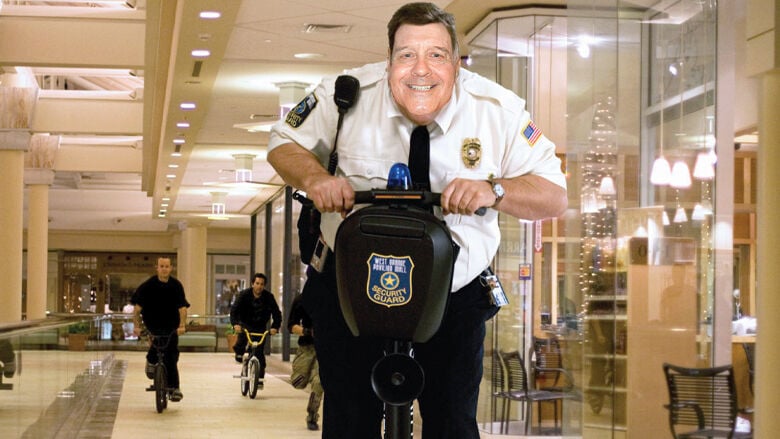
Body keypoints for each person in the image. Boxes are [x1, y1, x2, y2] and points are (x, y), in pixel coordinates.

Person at [267, 3, 567, 437]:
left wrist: (495, 190)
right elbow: (283, 142)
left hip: (453, 293)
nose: (421, 69)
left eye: (436, 55)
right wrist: (316, 178)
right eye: (406, 55)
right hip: (351, 287)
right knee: (349, 421)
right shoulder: (345, 95)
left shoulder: (497, 110)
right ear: (389, 61)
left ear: (457, 63)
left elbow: (554, 194)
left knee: (452, 422)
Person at [131, 257, 190, 402]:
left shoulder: (176, 286)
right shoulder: (148, 286)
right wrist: (137, 326)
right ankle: (151, 361)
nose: (164, 269)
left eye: (167, 266)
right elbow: (137, 309)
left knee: (171, 357)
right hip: (153, 326)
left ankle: (175, 388)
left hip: (171, 327)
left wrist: (182, 325)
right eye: (161, 266)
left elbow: (182, 308)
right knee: (155, 350)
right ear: (157, 268)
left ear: (171, 268)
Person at [229, 273, 282, 386]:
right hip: (245, 323)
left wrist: (275, 327)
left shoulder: (269, 297)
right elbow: (234, 310)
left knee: (259, 353)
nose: (259, 286)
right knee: (242, 340)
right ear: (252, 284)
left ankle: (259, 378)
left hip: (260, 326)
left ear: (264, 286)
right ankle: (239, 354)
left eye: (262, 284)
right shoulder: (244, 295)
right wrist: (235, 324)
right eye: (257, 283)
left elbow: (277, 314)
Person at [288, 292, 323, 431]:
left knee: (319, 382)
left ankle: (312, 416)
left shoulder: (333, 298)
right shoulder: (302, 299)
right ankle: (309, 376)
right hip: (306, 347)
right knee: (298, 381)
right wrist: (308, 331)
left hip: (324, 349)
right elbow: (291, 326)